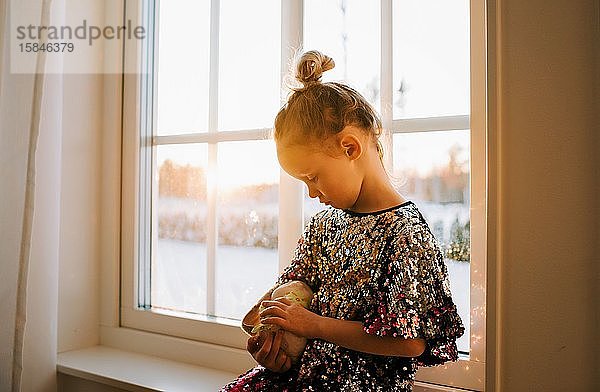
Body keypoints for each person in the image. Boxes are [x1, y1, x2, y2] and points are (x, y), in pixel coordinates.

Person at [221, 50, 465, 392]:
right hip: (301, 380)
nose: (310, 193)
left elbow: (410, 343)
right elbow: (289, 299)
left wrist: (313, 325)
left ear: (350, 148)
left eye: (313, 177)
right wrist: (273, 343)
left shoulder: (405, 233)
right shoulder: (323, 226)